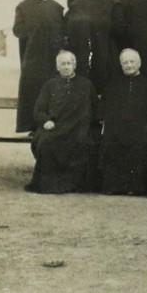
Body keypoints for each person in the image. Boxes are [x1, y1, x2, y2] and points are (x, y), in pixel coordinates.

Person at [26, 51, 97, 193]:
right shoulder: (50, 85)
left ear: (74, 65)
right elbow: (38, 110)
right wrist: (45, 121)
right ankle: (49, 184)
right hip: (55, 127)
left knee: (84, 142)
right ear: (57, 67)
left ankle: (75, 184)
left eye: (69, 63)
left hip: (78, 128)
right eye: (62, 64)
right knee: (45, 142)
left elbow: (96, 109)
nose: (66, 67)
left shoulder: (86, 84)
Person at [98, 49, 147, 195]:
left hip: (141, 127)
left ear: (139, 63)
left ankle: (136, 187)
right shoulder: (113, 85)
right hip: (117, 128)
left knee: (140, 143)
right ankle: (114, 186)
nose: (129, 65)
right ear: (121, 65)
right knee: (113, 142)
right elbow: (104, 108)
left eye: (132, 62)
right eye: (125, 62)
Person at [13, 0, 65, 133]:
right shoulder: (24, 6)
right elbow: (17, 30)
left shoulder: (57, 8)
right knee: (33, 90)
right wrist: (35, 31)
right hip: (33, 58)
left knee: (52, 90)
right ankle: (31, 126)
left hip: (52, 59)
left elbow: (62, 33)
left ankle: (50, 123)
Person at [64, 0, 128, 93]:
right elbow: (68, 31)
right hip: (82, 58)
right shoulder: (76, 5)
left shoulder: (113, 4)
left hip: (106, 58)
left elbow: (120, 33)